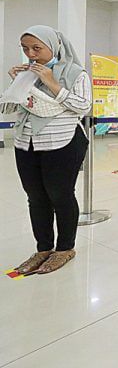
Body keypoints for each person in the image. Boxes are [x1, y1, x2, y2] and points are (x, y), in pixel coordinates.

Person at [3, 26, 91, 275]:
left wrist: (52, 83)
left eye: (37, 48)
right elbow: (16, 105)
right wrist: (16, 83)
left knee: (60, 195)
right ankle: (43, 248)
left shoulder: (75, 72)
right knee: (36, 197)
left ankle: (65, 248)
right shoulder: (26, 72)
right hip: (26, 141)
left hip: (61, 142)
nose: (31, 54)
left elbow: (83, 107)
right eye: (25, 49)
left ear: (54, 46)